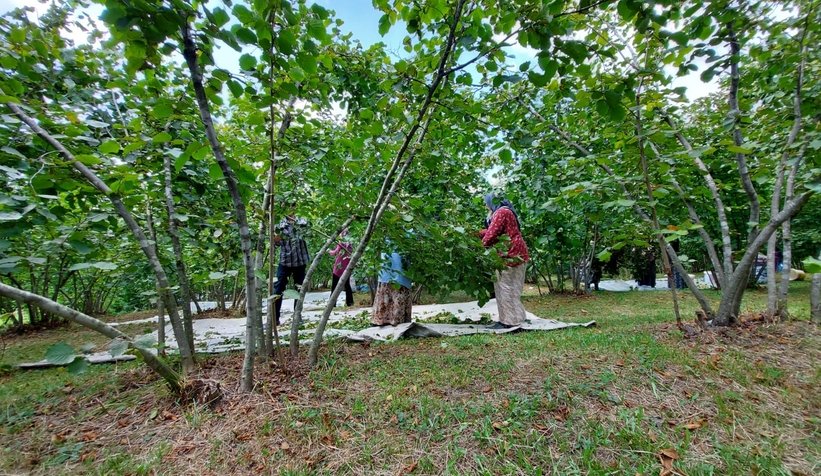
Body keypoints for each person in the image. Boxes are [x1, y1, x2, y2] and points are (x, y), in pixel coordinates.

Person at [479, 193, 530, 329]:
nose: (486, 206)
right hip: (518, 253)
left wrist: (479, 249)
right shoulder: (506, 211)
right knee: (513, 289)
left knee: (505, 288)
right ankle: (518, 318)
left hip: (509, 254)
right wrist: (476, 233)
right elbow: (493, 230)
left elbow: (492, 233)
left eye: (486, 202)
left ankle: (508, 322)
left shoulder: (501, 212)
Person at [272, 203, 310, 325]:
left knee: (299, 289)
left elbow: (308, 232)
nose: (290, 209)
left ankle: (297, 316)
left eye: (292, 207)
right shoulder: (280, 224)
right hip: (285, 262)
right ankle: (274, 318)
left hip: (300, 262)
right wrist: (276, 239)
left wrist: (298, 225)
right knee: (278, 289)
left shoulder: (301, 221)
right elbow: (276, 243)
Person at [371, 248, 413, 326]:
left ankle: (396, 319)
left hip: (402, 253)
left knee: (400, 280)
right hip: (389, 254)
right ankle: (384, 319)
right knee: (387, 279)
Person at [328, 228, 354, 307]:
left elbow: (335, 252)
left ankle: (332, 303)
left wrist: (329, 250)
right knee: (347, 285)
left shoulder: (341, 243)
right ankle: (350, 302)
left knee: (334, 285)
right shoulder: (350, 244)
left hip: (339, 267)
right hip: (347, 267)